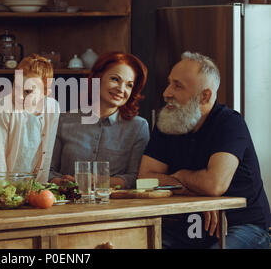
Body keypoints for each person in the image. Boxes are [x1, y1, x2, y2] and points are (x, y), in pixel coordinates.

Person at [139, 51, 271, 249]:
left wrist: (180, 175)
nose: (167, 92)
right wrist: (198, 196)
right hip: (183, 229)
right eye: (169, 83)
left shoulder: (230, 123)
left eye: (178, 85)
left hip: (242, 226)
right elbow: (145, 178)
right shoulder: (168, 120)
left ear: (205, 96)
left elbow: (214, 184)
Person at [49, 52, 150, 189]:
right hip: (67, 203)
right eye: (115, 79)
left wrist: (98, 180)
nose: (121, 89)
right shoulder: (64, 120)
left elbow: (135, 177)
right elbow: (47, 171)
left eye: (129, 85)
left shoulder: (138, 127)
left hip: (116, 207)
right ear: (97, 78)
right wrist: (61, 182)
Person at [0, 54, 60, 183]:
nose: (20, 96)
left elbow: (47, 153)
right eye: (17, 87)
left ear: (45, 92)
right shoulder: (4, 107)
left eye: (28, 92)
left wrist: (40, 188)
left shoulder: (53, 108)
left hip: (29, 185)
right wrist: (3, 191)